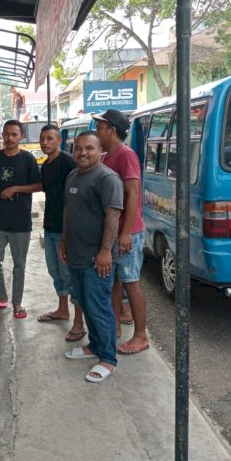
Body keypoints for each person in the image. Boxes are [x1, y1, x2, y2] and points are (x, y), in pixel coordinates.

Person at [60, 131, 123, 383]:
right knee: (85, 303)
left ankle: (108, 358)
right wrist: (63, 240)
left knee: (99, 307)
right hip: (75, 253)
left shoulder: (107, 178)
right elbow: (68, 211)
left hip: (97, 258)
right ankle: (95, 346)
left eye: (89, 148)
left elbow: (113, 215)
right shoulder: (73, 176)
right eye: (78, 148)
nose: (83, 152)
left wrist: (106, 251)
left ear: (100, 151)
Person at [93, 109, 149, 356]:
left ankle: (140, 335)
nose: (97, 132)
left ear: (112, 130)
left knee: (130, 282)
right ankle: (114, 325)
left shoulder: (126, 156)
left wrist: (125, 232)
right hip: (113, 232)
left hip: (129, 232)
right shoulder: (106, 157)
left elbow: (133, 194)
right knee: (114, 282)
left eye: (100, 127)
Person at [0, 120, 41, 319]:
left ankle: (17, 303)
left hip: (21, 221)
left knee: (19, 264)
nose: (10, 138)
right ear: (2, 136)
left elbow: (39, 185)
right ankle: (0, 296)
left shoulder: (28, 159)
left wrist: (16, 188)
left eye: (14, 134)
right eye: (6, 134)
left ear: (21, 136)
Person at [36, 124, 86, 342]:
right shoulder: (46, 165)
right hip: (50, 226)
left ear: (59, 140)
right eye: (42, 139)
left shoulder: (69, 163)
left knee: (70, 275)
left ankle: (78, 322)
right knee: (55, 272)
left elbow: (74, 199)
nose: (45, 142)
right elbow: (46, 190)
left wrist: (68, 233)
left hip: (67, 229)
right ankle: (62, 309)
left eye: (50, 138)